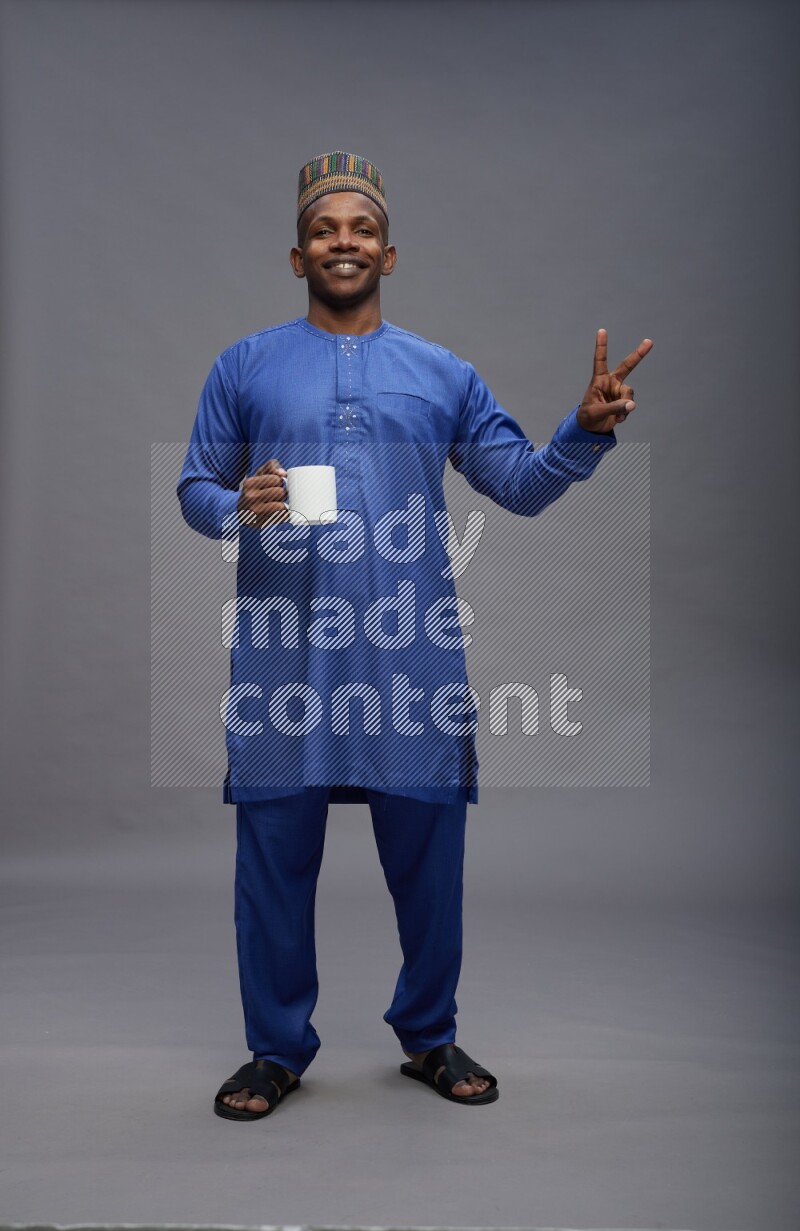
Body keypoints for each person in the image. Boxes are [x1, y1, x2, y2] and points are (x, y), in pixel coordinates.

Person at [177, 151, 653, 1120]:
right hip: (284, 661)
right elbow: (192, 489)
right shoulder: (245, 364)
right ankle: (274, 1047)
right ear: (295, 253)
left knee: (430, 859)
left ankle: (428, 1034)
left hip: (408, 656)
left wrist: (583, 430)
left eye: (358, 229)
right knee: (271, 859)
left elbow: (517, 484)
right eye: (323, 229)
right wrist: (236, 504)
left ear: (388, 254)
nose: (340, 242)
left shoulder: (440, 373)